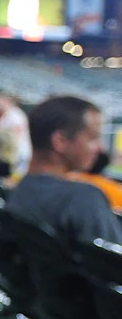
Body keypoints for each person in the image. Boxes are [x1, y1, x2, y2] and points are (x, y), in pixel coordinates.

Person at [7, 95, 121, 244]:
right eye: (92, 138)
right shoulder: (84, 199)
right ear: (60, 141)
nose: (100, 148)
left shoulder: (20, 189)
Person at [0, 93, 32, 177]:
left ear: (7, 100)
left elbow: (17, 136)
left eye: (0, 99)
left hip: (16, 155)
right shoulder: (9, 114)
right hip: (11, 155)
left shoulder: (15, 114)